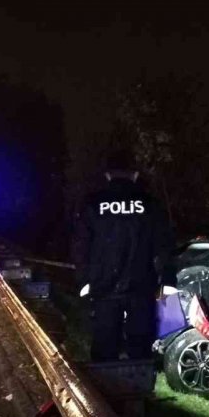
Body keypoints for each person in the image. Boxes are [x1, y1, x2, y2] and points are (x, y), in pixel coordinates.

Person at [73, 149, 173, 361]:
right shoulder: (151, 205)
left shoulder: (92, 205)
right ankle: (140, 387)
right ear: (135, 175)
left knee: (104, 345)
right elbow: (164, 248)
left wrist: (84, 282)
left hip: (103, 288)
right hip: (141, 288)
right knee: (140, 346)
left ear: (108, 175)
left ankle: (105, 389)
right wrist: (166, 283)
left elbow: (81, 246)